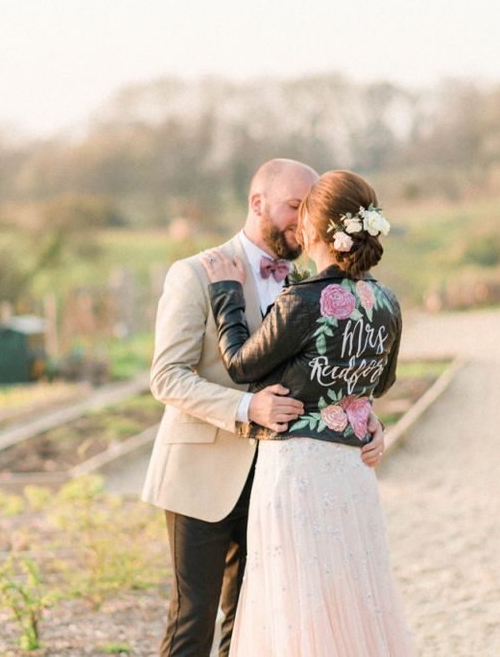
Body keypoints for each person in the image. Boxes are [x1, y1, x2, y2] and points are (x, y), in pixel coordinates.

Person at [142, 159, 388, 657]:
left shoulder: (313, 282)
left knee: (255, 621)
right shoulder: (193, 273)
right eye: (293, 208)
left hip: (282, 480)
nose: (301, 224)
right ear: (257, 203)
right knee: (192, 621)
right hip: (202, 473)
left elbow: (327, 372)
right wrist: (245, 407)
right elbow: (166, 376)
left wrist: (367, 417)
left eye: (308, 212)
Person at [200, 169, 415, 656]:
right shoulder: (386, 302)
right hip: (351, 473)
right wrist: (365, 416)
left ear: (314, 231)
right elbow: (379, 382)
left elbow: (239, 364)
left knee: (296, 597)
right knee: (352, 593)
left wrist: (227, 294)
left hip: (296, 473)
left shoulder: (302, 301)